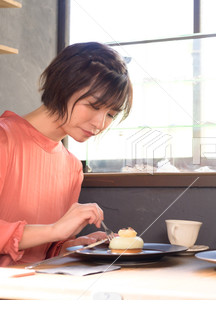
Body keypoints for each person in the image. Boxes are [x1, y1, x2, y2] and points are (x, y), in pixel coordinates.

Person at [0, 42, 133, 266]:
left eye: (111, 114)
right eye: (93, 105)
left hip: (38, 289)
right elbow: (50, 231)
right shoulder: (5, 139)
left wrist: (76, 244)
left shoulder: (72, 167)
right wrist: (54, 229)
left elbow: (45, 250)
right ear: (63, 87)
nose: (101, 123)